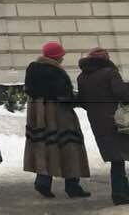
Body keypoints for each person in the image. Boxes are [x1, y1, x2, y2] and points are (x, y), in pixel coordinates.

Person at [24, 41, 91, 198]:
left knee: (45, 145)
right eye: (61, 56)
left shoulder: (33, 69)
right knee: (70, 145)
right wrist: (80, 100)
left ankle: (42, 181)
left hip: (39, 115)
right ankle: (73, 186)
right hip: (59, 114)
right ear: (56, 56)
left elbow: (29, 90)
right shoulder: (55, 72)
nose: (62, 58)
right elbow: (64, 96)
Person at [78, 46, 129, 205]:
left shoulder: (82, 77)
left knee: (116, 158)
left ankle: (120, 193)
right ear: (106, 59)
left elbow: (82, 100)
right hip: (118, 121)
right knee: (122, 155)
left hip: (98, 122)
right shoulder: (110, 73)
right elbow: (122, 94)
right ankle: (121, 193)